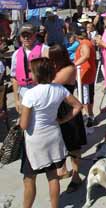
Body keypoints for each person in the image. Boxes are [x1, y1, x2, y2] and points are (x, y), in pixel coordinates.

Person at [19, 57, 82, 208]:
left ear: (37, 74)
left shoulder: (30, 94)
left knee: (29, 179)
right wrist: (62, 120)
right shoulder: (59, 89)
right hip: (53, 136)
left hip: (35, 140)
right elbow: (78, 106)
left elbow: (24, 124)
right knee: (53, 176)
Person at [49, 44, 86, 192]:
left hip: (68, 109)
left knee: (73, 146)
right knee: (60, 144)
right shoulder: (55, 68)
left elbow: (52, 83)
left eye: (53, 57)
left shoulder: (68, 69)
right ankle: (63, 170)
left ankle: (76, 176)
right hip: (56, 109)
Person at [10, 23, 48, 113]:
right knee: (26, 120)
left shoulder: (45, 50)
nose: (26, 38)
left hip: (41, 90)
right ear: (20, 37)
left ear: (35, 35)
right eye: (24, 35)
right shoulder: (16, 54)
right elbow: (14, 78)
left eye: (29, 35)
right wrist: (16, 100)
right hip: (24, 91)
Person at [74, 27, 96, 127]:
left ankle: (90, 116)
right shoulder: (87, 42)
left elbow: (86, 55)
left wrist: (74, 64)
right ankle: (89, 115)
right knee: (86, 97)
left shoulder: (84, 44)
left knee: (85, 99)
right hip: (86, 74)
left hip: (85, 74)